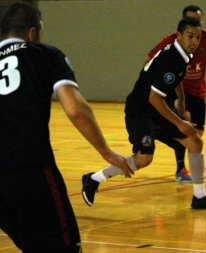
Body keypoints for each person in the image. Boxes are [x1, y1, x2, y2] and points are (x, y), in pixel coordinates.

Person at [0, 2, 132, 252]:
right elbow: (75, 109)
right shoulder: (45, 54)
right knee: (65, 247)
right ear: (32, 33)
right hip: (30, 167)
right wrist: (106, 152)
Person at [82, 17, 206, 210]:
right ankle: (94, 179)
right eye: (190, 36)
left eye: (197, 37)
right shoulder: (172, 59)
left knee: (195, 142)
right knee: (144, 159)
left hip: (158, 109)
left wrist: (182, 101)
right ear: (179, 35)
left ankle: (200, 196)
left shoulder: (182, 54)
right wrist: (179, 121)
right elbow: (154, 98)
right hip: (141, 111)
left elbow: (175, 80)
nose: (194, 41)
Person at [142, 5, 206, 182]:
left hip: (198, 92)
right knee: (185, 128)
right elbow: (149, 59)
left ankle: (164, 137)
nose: (197, 22)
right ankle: (182, 170)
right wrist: (150, 84)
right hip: (177, 91)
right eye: (192, 18)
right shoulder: (171, 40)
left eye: (199, 19)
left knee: (197, 134)